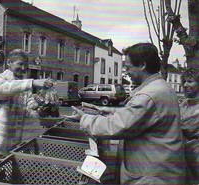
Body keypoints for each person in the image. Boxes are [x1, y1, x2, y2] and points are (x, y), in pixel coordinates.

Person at [68, 43, 187, 184]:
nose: (126, 71)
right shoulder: (160, 87)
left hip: (152, 175)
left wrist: (85, 119)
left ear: (142, 65)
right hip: (161, 168)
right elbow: (139, 117)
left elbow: (119, 126)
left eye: (128, 67)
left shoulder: (148, 95)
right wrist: (109, 111)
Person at [0, 49, 53, 153]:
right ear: (9, 62)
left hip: (13, 141)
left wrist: (39, 109)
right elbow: (0, 90)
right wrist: (33, 82)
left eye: (26, 66)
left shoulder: (23, 85)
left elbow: (27, 108)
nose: (23, 68)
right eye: (20, 64)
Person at [179, 68, 199, 184]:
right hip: (183, 153)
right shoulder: (183, 104)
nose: (185, 85)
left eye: (190, 81)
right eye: (184, 81)